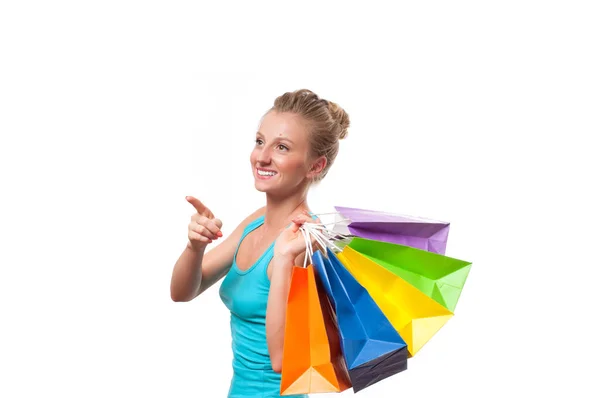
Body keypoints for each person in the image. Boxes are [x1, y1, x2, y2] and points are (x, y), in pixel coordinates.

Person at [170, 89, 350, 397]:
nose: (262, 156)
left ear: (315, 166)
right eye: (259, 141)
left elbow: (282, 359)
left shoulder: (304, 243)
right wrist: (195, 246)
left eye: (282, 147)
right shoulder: (257, 220)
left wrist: (282, 260)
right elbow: (182, 292)